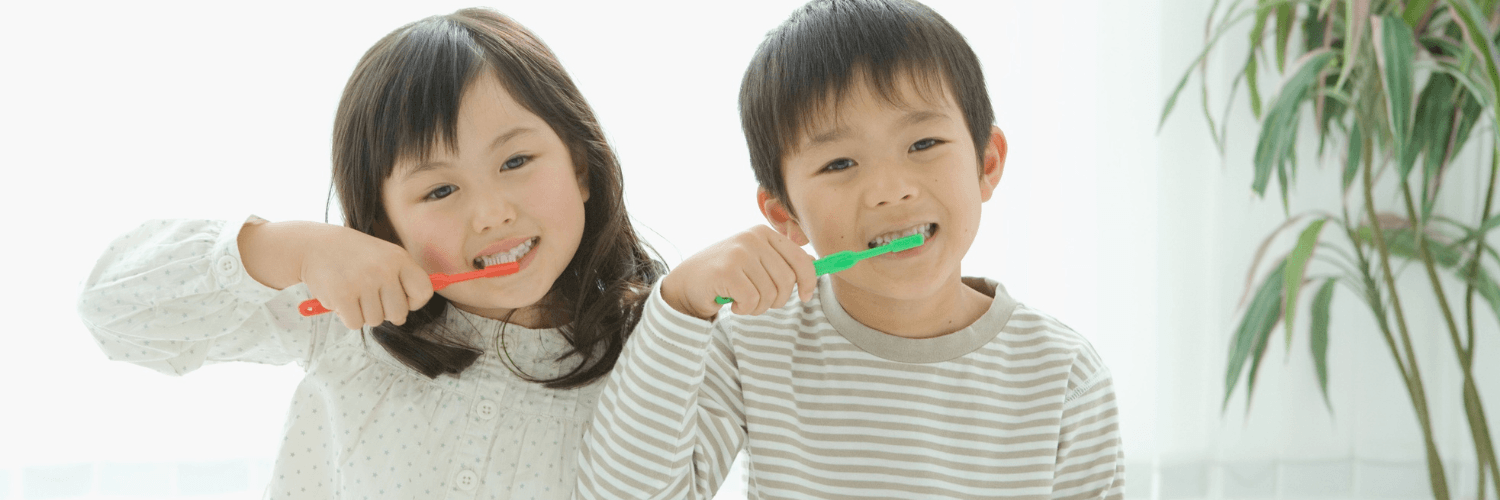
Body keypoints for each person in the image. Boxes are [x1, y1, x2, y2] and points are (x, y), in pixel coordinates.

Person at [76, 8, 660, 498]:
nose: (491, 213)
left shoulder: (657, 354)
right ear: (384, 226)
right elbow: (114, 310)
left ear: (581, 167)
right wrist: (296, 249)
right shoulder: (349, 318)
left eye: (515, 162)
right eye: (439, 190)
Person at [576, 0, 1124, 498]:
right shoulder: (754, 341)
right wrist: (679, 306)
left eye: (923, 143)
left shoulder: (1063, 376)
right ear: (784, 215)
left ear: (987, 163)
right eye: (840, 163)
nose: (890, 190)